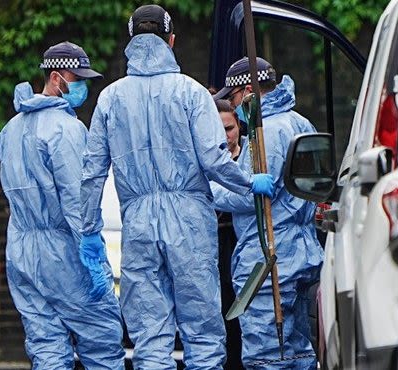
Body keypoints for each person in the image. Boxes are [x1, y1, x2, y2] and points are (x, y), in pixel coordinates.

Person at [79, 5, 274, 369]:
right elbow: (214, 162)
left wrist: (89, 230)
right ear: (171, 41)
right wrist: (250, 183)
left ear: (132, 43)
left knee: (150, 333)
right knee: (201, 331)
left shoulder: (110, 98)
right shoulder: (192, 93)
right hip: (189, 222)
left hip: (137, 223)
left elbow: (92, 172)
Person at [0, 41, 125, 369]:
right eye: (76, 78)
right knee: (101, 336)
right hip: (62, 251)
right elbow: (76, 198)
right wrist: (92, 250)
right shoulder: (66, 129)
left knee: (46, 343)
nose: (82, 86)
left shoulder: (10, 130)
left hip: (22, 249)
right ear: (55, 77)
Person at [212, 57, 324, 369]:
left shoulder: (266, 131)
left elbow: (251, 197)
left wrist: (211, 192)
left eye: (234, 99)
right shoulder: (299, 122)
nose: (235, 108)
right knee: (300, 352)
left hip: (270, 261)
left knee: (267, 357)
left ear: (248, 91)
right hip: (302, 255)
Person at [214, 99, 245, 370]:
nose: (226, 136)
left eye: (230, 128)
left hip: (242, 240)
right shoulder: (209, 159)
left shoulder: (249, 154)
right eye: (220, 130)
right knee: (223, 313)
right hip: (216, 242)